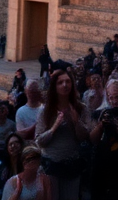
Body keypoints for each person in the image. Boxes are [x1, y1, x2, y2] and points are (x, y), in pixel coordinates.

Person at [34, 71, 89, 200]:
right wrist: (54, 127)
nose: (65, 85)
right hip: (51, 165)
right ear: (55, 86)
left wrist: (76, 122)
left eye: (68, 81)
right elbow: (39, 141)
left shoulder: (81, 108)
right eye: (60, 82)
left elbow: (84, 137)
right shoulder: (45, 111)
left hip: (72, 164)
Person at [88, 81, 118, 200]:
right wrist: (101, 125)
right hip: (102, 164)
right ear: (108, 97)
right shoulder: (99, 113)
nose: (115, 101)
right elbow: (92, 140)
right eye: (112, 97)